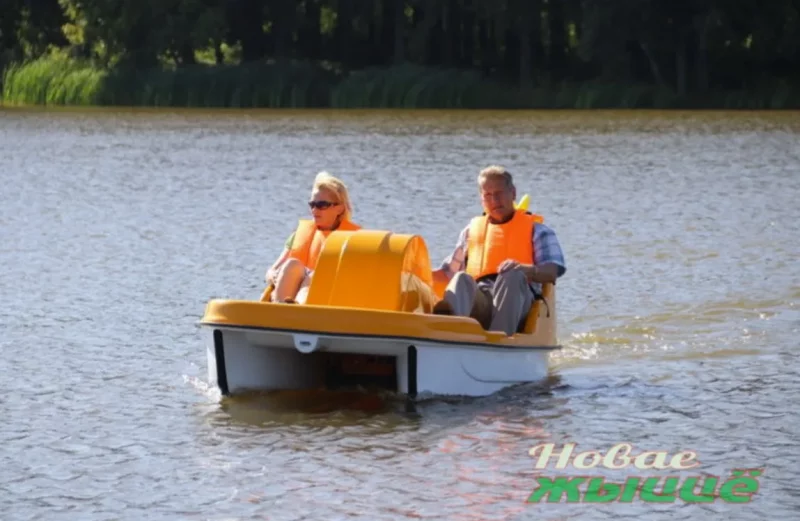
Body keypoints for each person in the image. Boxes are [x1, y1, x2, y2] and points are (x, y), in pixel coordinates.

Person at [431, 166, 566, 336]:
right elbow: (446, 273)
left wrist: (525, 270)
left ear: (513, 193)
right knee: (461, 279)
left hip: (519, 303)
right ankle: (449, 332)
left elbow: (552, 271)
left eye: (499, 193)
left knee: (512, 276)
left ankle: (498, 340)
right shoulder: (470, 232)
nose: (494, 200)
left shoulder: (538, 231)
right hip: (482, 299)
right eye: (488, 195)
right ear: (482, 199)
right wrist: (412, 273)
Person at [265, 171, 360, 303]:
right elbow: (271, 270)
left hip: (327, 301)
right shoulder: (299, 235)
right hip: (291, 292)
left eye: (322, 205)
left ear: (340, 208)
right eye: (312, 205)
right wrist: (273, 275)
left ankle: (299, 309)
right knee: (292, 265)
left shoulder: (356, 240)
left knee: (315, 275)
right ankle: (281, 310)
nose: (315, 211)